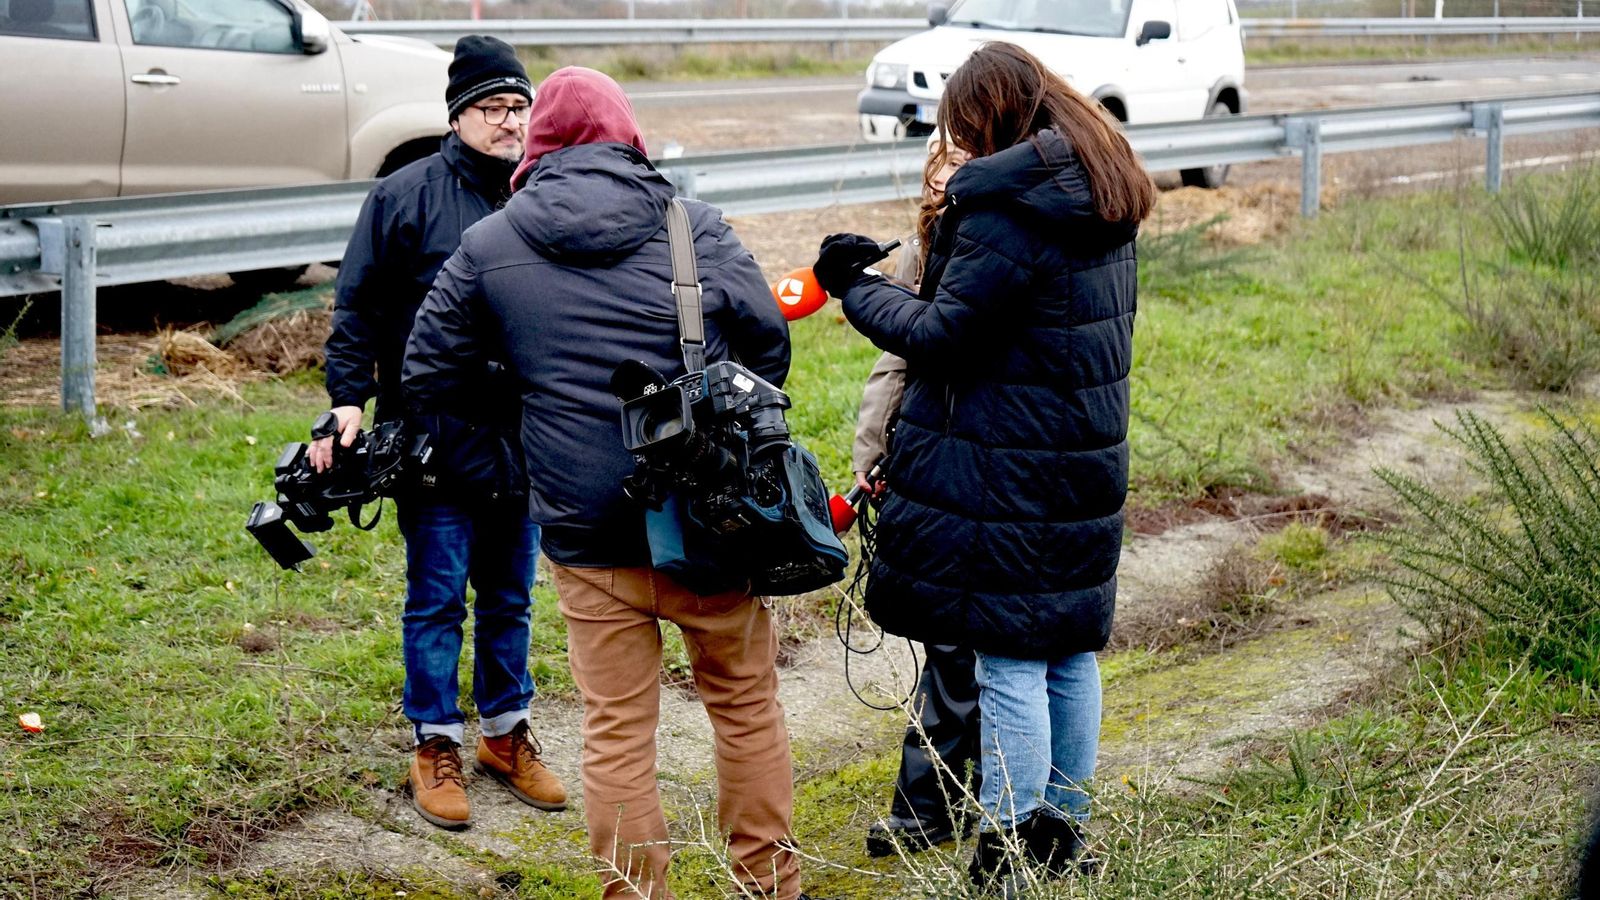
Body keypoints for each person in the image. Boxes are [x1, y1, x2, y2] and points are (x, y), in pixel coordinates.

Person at [402, 67, 813, 900]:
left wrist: (530, 402)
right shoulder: (691, 225)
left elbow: (427, 370)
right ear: (629, 135)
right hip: (710, 518)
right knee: (744, 708)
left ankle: (634, 894)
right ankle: (769, 886)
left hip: (587, 532)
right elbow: (768, 346)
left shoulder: (491, 242)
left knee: (617, 729)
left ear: (541, 143)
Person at [814, 42, 1155, 888]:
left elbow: (942, 334)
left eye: (965, 128)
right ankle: (1064, 835)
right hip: (1082, 460)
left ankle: (1009, 850)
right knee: (1071, 653)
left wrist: (852, 287)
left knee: (1009, 663)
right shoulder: (1102, 192)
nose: (960, 147)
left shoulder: (1009, 212)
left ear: (994, 117)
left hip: (1011, 471)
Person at [315, 35, 567, 830]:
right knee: (435, 597)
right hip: (431, 433)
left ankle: (503, 732)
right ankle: (434, 740)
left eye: (519, 107)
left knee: (510, 596)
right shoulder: (403, 196)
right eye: (491, 109)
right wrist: (349, 399)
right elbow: (355, 306)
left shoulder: (543, 193)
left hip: (520, 436)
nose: (508, 123)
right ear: (457, 117)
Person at [853, 137, 983, 859]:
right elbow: (894, 361)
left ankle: (933, 803)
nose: (945, 171)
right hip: (928, 464)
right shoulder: (922, 245)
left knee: (967, 644)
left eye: (962, 156)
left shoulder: (1002, 238)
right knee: (951, 639)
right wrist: (872, 454)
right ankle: (939, 800)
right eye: (938, 157)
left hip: (982, 465)